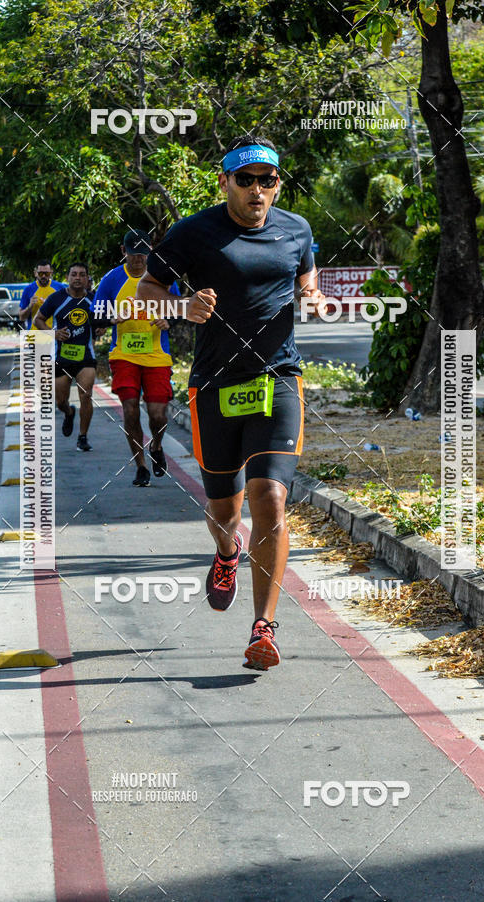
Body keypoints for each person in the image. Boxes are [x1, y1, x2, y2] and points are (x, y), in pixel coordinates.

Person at [138, 134, 325, 671]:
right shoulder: (192, 233)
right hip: (215, 387)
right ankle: (226, 554)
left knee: (270, 495)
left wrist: (311, 296)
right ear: (225, 182)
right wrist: (183, 306)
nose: (257, 190)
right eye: (245, 180)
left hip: (278, 380)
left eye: (267, 180)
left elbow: (306, 276)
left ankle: (263, 626)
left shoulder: (296, 229)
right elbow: (148, 291)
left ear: (278, 184)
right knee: (226, 510)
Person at [94, 230, 179, 487]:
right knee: (130, 409)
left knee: (158, 414)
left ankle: (156, 445)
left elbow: (179, 308)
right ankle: (141, 466)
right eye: (134, 255)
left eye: (143, 254)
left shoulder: (162, 276)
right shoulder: (111, 280)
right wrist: (112, 319)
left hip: (156, 355)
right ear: (124, 252)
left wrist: (169, 320)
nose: (139, 260)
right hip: (124, 355)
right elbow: (95, 316)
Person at [33, 262, 111, 451]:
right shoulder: (56, 299)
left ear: (87, 279)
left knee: (86, 395)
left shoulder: (94, 299)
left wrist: (101, 328)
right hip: (62, 357)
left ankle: (82, 437)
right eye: (74, 274)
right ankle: (69, 413)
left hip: (86, 357)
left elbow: (104, 321)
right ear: (67, 278)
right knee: (60, 401)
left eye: (82, 275)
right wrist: (54, 333)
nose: (77, 278)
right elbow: (38, 320)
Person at [19, 260, 63, 329]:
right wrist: (30, 306)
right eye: (40, 273)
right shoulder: (28, 289)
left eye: (46, 273)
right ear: (35, 273)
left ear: (51, 273)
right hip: (33, 335)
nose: (43, 276)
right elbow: (21, 317)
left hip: (53, 334)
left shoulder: (60, 288)